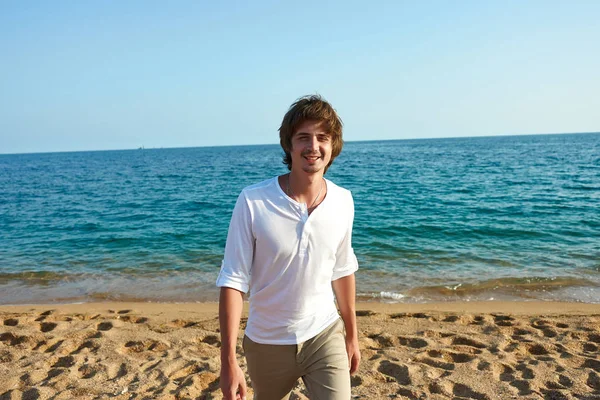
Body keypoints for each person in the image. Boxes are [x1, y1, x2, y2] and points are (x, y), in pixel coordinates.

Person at [217, 95, 360, 400]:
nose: (313, 146)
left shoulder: (343, 201)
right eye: (303, 137)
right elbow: (233, 280)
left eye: (322, 137)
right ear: (289, 145)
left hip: (324, 333)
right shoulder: (253, 201)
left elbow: (342, 269)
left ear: (333, 145)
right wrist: (228, 360)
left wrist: (352, 335)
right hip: (267, 342)